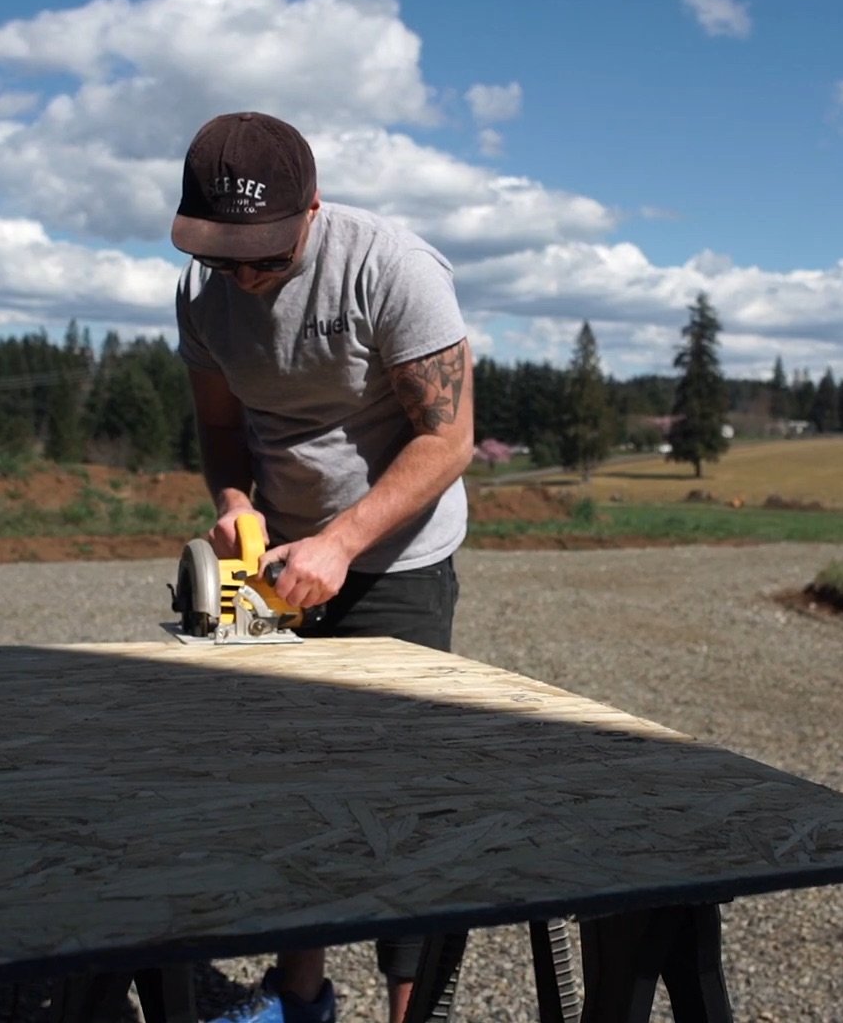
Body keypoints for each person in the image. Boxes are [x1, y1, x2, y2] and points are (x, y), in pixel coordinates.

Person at [169, 110, 475, 1023]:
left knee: (390, 800)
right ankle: (300, 994)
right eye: (228, 255)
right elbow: (222, 431)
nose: (247, 275)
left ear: (312, 207)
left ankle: (407, 1009)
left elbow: (448, 439)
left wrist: (342, 544)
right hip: (277, 565)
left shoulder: (394, 269)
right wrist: (233, 507)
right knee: (292, 783)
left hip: (396, 560)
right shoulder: (201, 290)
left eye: (265, 252)